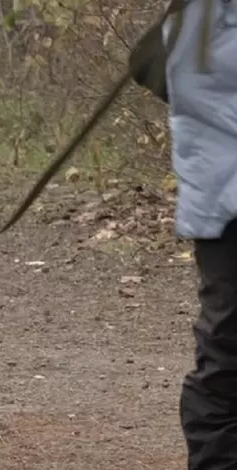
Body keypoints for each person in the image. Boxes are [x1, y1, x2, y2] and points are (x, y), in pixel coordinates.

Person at [131, 0, 237, 468]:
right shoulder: (202, 16)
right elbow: (154, 66)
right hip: (223, 205)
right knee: (226, 352)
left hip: (217, 200)